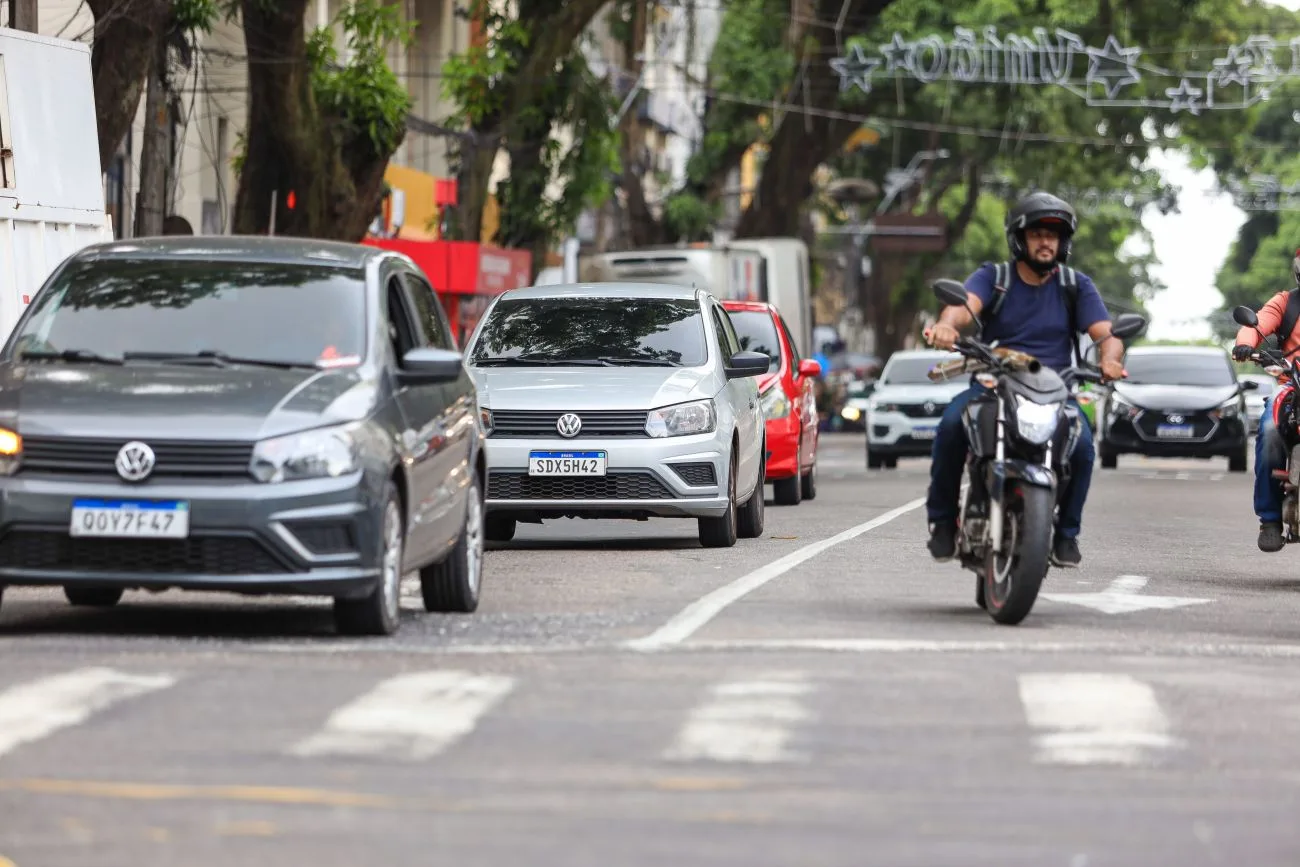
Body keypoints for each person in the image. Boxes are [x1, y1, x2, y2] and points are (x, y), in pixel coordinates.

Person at [922, 191, 1128, 567]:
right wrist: (946, 327)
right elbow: (963, 307)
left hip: (1053, 390)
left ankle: (1067, 533)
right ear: (1019, 237)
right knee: (952, 425)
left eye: (1053, 234)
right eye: (1037, 233)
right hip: (993, 383)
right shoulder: (994, 278)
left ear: (1063, 241)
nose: (1046, 241)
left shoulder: (1075, 285)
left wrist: (1110, 360)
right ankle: (942, 524)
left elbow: (1106, 334)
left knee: (1082, 446)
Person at [1230, 249, 1300, 552]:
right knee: (1270, 429)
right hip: (1293, 384)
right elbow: (1255, 324)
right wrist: (1245, 345)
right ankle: (1270, 518)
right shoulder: (1287, 301)